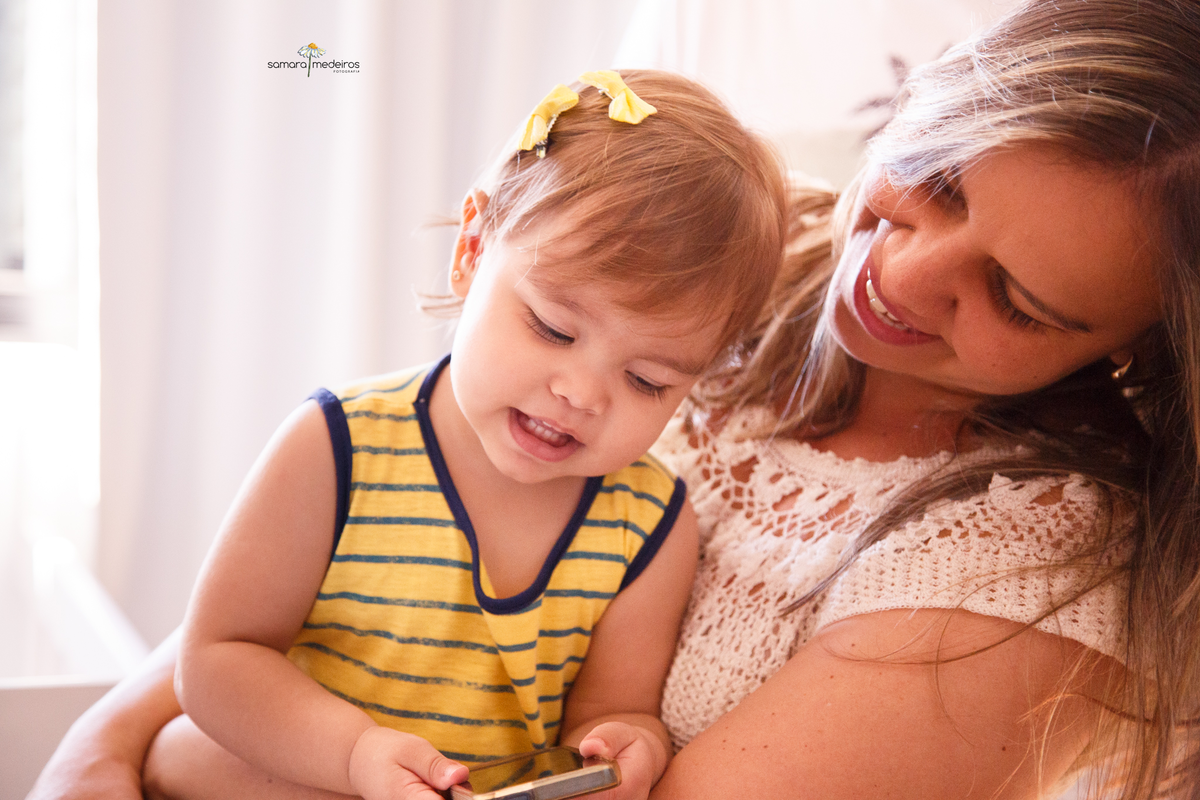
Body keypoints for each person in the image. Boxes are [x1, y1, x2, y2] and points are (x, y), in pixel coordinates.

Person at [26, 0, 1200, 798]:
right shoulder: (741, 258)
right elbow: (347, 538)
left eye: (1016, 300)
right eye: (935, 179)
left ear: (1141, 348)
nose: (899, 272)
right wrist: (106, 741)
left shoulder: (1026, 573)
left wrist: (200, 762)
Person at [83, 69, 785, 800]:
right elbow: (217, 661)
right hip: (305, 775)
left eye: (646, 380)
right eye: (553, 329)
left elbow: (612, 712)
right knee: (183, 755)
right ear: (471, 250)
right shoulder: (336, 448)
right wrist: (355, 756)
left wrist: (629, 745)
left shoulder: (649, 526)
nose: (581, 394)